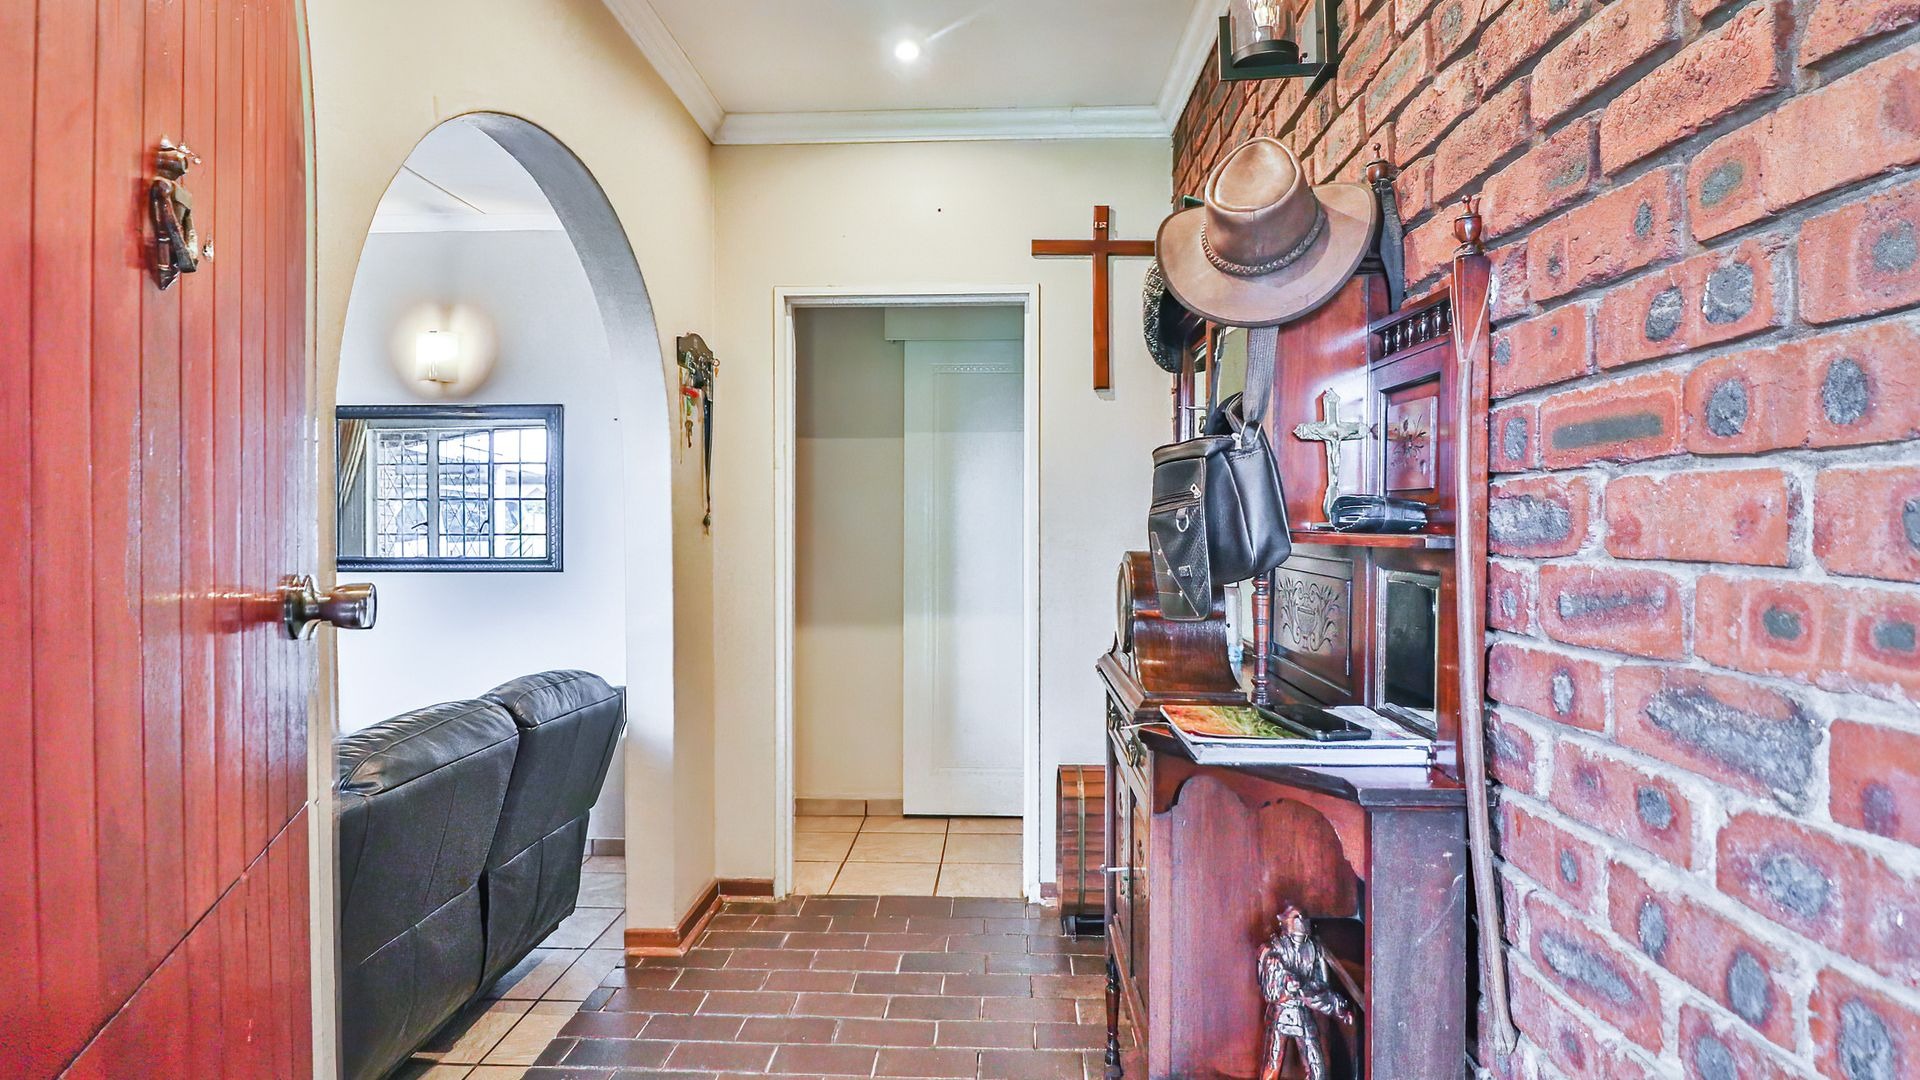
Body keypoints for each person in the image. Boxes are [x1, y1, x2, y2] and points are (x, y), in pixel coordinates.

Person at [1257, 906, 1353, 1080]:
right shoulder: (1273, 950)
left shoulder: (1313, 950)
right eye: (1296, 919)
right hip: (1280, 1015)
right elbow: (1270, 992)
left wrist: (1339, 1008)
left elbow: (1321, 987)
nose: (1300, 924)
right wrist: (1285, 984)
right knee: (1272, 1065)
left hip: (1303, 1012)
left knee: (1317, 1070)